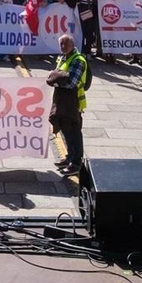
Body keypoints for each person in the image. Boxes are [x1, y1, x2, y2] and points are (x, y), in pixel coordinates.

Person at [47, 33, 90, 176]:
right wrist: (58, 77)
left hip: (74, 102)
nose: (63, 46)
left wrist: (56, 79)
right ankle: (69, 157)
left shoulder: (78, 60)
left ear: (72, 44)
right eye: (61, 44)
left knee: (74, 133)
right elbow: (54, 76)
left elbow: (71, 83)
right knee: (65, 131)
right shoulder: (62, 58)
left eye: (66, 44)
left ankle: (76, 162)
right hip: (62, 101)